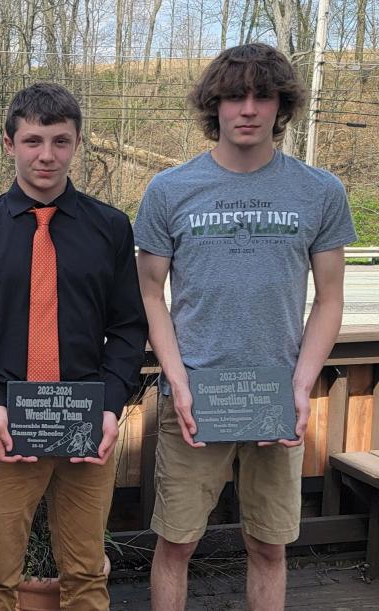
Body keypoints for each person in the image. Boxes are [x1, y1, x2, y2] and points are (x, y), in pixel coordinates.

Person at [134, 43, 357, 610]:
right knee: (176, 544)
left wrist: (301, 385)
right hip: (193, 399)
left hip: (276, 398)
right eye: (235, 96)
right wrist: (177, 381)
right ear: (215, 105)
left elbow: (329, 299)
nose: (249, 108)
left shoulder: (320, 191)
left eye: (264, 95)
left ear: (283, 105)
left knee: (269, 546)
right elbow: (149, 294)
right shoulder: (170, 190)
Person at [0, 83, 148, 610]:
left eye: (60, 141)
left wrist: (112, 407)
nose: (46, 155)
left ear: (76, 144)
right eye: (32, 141)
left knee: (87, 575)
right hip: (4, 420)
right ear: (9, 144)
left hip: (86, 420)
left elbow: (127, 329)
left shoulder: (111, 228)